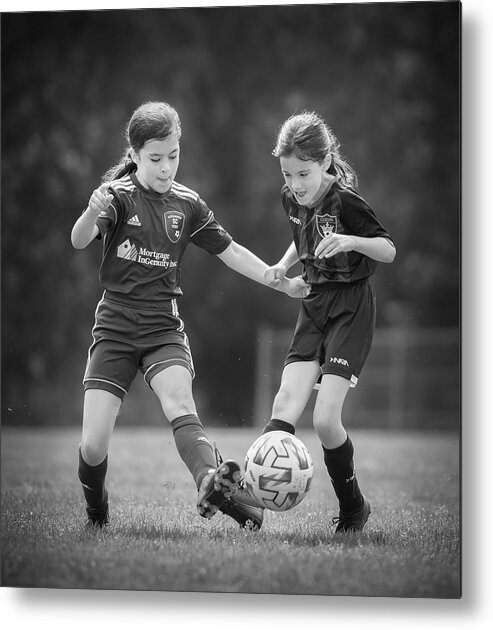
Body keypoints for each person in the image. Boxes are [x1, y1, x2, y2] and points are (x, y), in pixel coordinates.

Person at [71, 101, 309, 531]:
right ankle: (96, 509)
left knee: (179, 403)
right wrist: (90, 211)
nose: (167, 168)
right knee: (91, 447)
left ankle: (210, 482)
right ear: (136, 154)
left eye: (174, 156)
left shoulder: (189, 205)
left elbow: (231, 251)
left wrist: (279, 280)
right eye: (156, 159)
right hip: (115, 328)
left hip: (163, 326)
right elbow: (79, 239)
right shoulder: (118, 198)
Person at [256, 111, 396, 533]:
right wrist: (283, 267)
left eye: (303, 173)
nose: (295, 184)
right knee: (284, 404)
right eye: (287, 173)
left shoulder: (348, 201)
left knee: (323, 420)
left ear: (324, 162)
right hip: (314, 305)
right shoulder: (290, 197)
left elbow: (387, 249)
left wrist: (352, 240)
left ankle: (353, 506)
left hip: (351, 309)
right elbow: (304, 239)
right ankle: (253, 499)